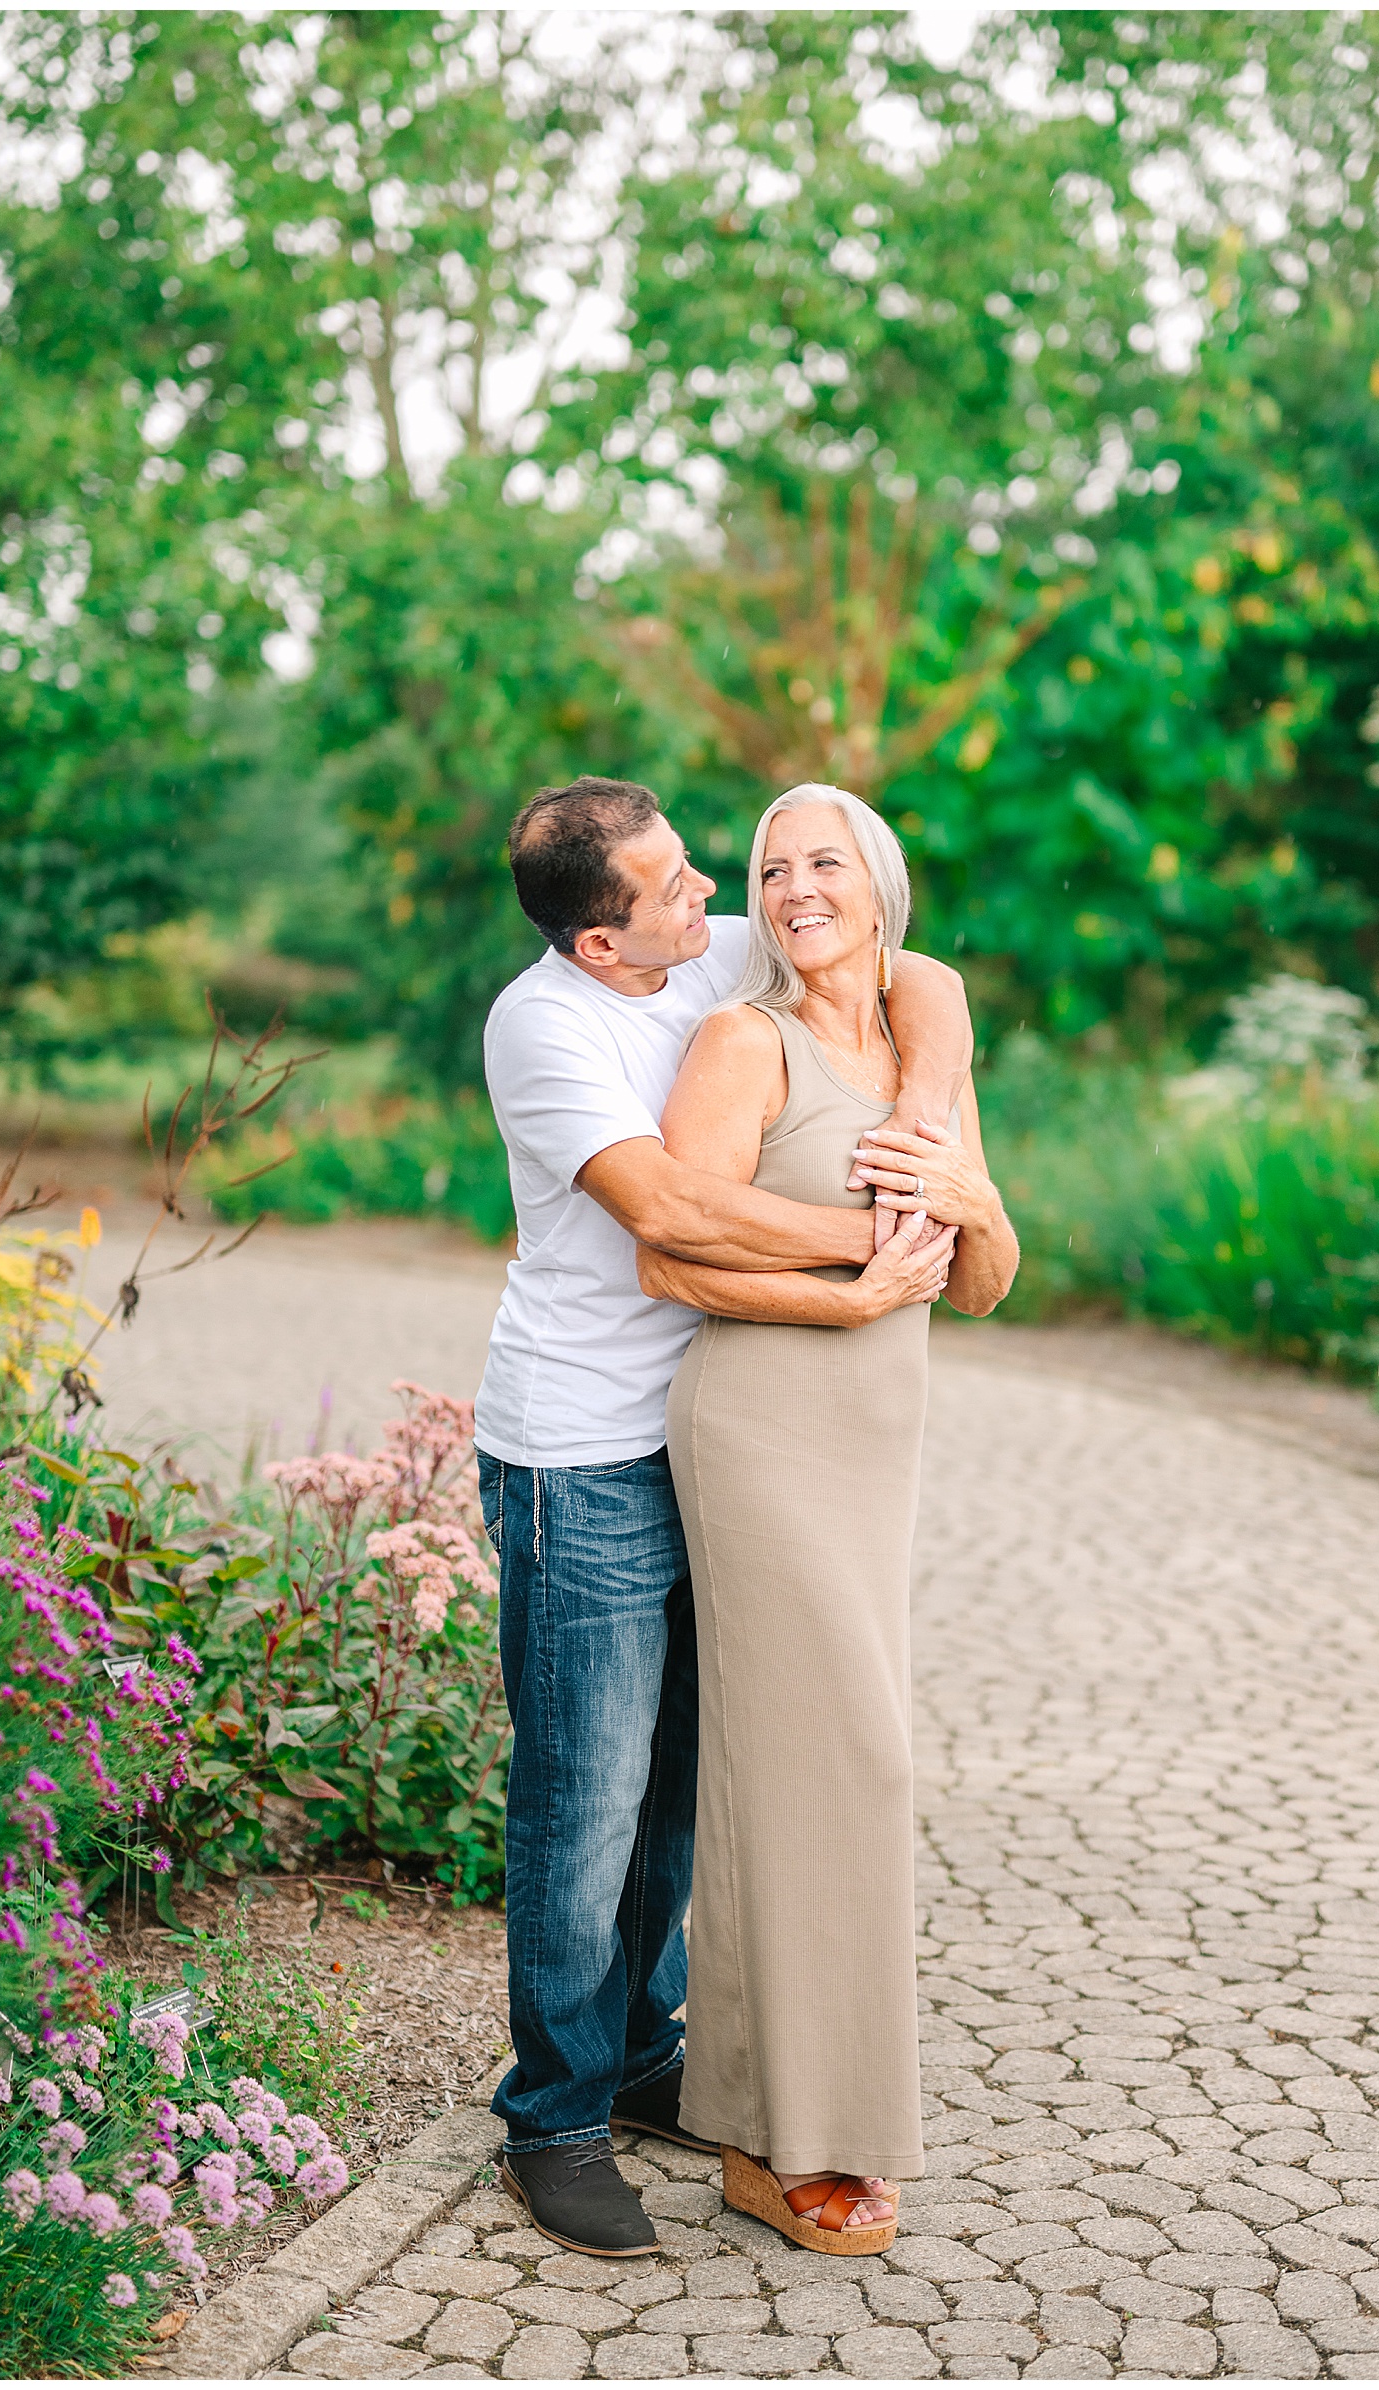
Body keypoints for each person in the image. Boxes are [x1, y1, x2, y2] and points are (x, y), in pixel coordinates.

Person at [472, 775, 973, 2257]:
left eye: (708, 872)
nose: (717, 897)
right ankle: (553, 2114)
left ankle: (637, 2052)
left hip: (720, 1449)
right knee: (585, 1800)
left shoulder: (702, 972)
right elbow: (674, 1218)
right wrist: (881, 1238)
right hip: (581, 1453)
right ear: (600, 942)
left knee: (683, 1788)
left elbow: (911, 980)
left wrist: (932, 1112)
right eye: (677, 888)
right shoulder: (545, 1025)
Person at [639, 782, 1019, 2252]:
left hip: (881, 1449)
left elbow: (983, 1280)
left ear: (880, 884)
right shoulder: (747, 1041)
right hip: (760, 1434)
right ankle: (799, 2133)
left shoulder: (925, 1051)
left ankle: (756, 2121)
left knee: (805, 1772)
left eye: (826, 860)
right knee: (838, 1764)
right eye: (772, 867)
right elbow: (671, 1257)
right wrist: (846, 1286)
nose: (797, 885)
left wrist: (967, 1191)